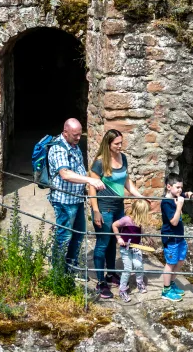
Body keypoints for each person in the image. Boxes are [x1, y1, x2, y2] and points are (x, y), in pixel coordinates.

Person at [88, 129, 144, 300]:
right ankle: (100, 282)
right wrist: (96, 211)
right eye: (117, 144)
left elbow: (127, 182)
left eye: (121, 142)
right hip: (104, 208)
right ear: (108, 144)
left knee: (114, 241)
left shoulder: (123, 158)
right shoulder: (99, 163)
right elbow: (91, 188)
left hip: (118, 207)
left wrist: (141, 196)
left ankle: (111, 274)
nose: (120, 146)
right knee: (103, 242)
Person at [47, 118, 104, 271]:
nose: (79, 138)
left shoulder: (74, 145)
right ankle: (58, 270)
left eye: (80, 134)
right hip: (64, 201)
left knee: (78, 235)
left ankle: (71, 266)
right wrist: (89, 180)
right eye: (75, 135)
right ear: (65, 133)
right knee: (64, 236)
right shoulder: (59, 149)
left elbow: (78, 170)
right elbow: (65, 174)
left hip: (77, 199)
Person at [160, 173, 193, 302]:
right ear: (169, 187)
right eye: (178, 187)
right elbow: (174, 222)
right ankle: (166, 289)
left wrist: (189, 194)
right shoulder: (166, 203)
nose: (180, 190)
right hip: (171, 238)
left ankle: (172, 283)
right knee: (170, 263)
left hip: (179, 237)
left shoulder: (177, 195)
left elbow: (184, 194)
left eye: (181, 187)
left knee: (180, 261)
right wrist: (179, 206)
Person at [112, 198, 150, 303]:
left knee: (138, 265)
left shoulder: (140, 221)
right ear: (138, 212)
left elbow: (140, 230)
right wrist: (119, 238)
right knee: (128, 268)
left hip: (136, 247)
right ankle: (122, 289)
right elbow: (114, 225)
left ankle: (139, 282)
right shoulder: (126, 220)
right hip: (126, 248)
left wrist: (146, 237)